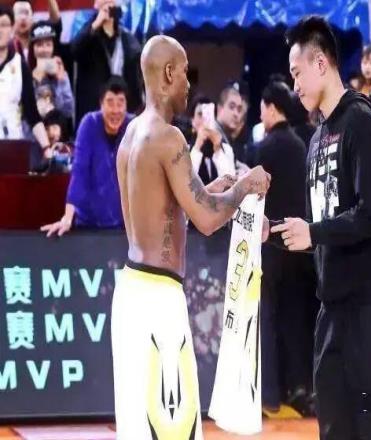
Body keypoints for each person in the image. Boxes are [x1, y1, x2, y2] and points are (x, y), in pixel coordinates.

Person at [111, 35, 270, 439]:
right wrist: (246, 186)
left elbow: (169, 210)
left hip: (131, 290)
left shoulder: (131, 134)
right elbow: (207, 218)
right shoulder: (169, 137)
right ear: (168, 73)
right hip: (158, 298)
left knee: (140, 429)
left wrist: (213, 188)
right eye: (185, 73)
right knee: (174, 428)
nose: (188, 84)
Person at [271, 16, 371, 439]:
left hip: (369, 306)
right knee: (333, 430)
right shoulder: (316, 139)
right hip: (330, 311)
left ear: (321, 64)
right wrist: (269, 232)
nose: (294, 85)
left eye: (297, 73)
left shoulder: (360, 121)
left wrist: (313, 232)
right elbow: (320, 228)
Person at [256, 80, 315, 415]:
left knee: (268, 318)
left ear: (271, 108)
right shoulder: (300, 145)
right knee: (296, 320)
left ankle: (269, 394)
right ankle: (300, 388)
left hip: (270, 248)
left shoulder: (262, 149)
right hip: (299, 247)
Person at [41, 77, 133, 236]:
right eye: (110, 103)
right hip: (88, 225)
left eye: (120, 103)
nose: (115, 110)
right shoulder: (89, 124)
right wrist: (67, 218)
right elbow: (79, 172)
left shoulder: (133, 127)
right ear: (101, 104)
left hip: (124, 228)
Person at [72, 0, 142, 126]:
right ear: (95, 4)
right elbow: (75, 51)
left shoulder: (127, 39)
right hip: (94, 113)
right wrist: (96, 23)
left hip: (121, 114)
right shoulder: (88, 33)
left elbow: (135, 82)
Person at [0, 5, 51, 156]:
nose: (0, 30)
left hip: (13, 145)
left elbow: (32, 114)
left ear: (12, 29)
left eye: (4, 25)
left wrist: (47, 148)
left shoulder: (20, 65)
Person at [29, 21, 74, 120]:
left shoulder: (61, 73)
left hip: (56, 127)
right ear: (32, 48)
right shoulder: (25, 73)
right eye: (39, 45)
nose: (44, 50)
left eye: (48, 45)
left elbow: (68, 111)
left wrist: (60, 81)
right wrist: (36, 80)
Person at [189, 95, 235, 185]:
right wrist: (198, 145)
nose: (204, 119)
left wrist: (218, 150)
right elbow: (186, 181)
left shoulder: (226, 149)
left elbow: (231, 183)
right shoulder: (184, 149)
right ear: (192, 120)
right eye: (200, 114)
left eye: (208, 114)